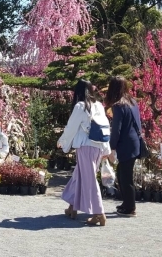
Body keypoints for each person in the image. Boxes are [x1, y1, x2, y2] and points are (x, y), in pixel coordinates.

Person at [57, 80, 111, 226]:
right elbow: (105, 127)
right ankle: (72, 207)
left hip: (85, 147)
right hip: (98, 147)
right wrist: (106, 148)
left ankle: (99, 213)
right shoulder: (98, 105)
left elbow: (71, 128)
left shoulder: (81, 106)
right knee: (79, 176)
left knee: (89, 179)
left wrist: (62, 141)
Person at [105, 76, 142, 218]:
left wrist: (111, 147)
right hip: (134, 142)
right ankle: (126, 204)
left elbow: (116, 130)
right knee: (122, 173)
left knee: (126, 177)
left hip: (126, 144)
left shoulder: (118, 106)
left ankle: (130, 207)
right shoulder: (132, 102)